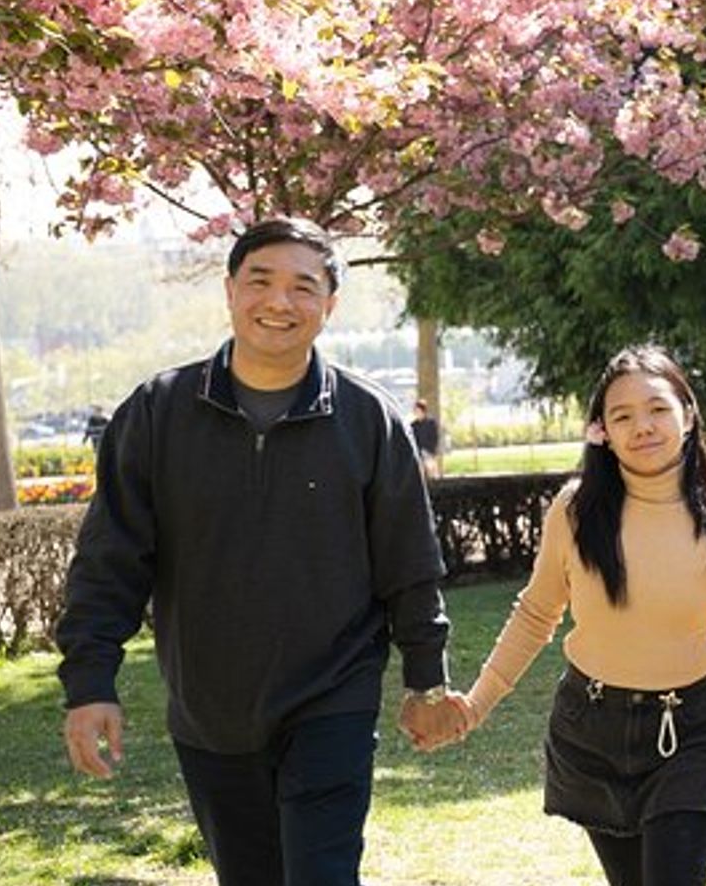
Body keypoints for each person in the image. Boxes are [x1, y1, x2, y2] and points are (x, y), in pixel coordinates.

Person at [55, 218, 471, 886]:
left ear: (329, 306)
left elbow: (410, 563)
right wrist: (89, 683)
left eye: (303, 287)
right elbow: (111, 559)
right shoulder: (159, 412)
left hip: (334, 694)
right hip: (209, 708)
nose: (280, 302)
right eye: (261, 281)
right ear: (229, 290)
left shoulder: (368, 418)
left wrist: (425, 677)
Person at [455, 345, 706, 886]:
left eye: (658, 409)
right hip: (591, 729)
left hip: (691, 732)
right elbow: (535, 614)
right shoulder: (574, 513)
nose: (643, 426)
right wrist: (475, 705)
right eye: (623, 415)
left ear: (687, 416)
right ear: (602, 432)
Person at [412, 399, 443, 479]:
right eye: (415, 410)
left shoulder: (431, 423)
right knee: (419, 475)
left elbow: (434, 438)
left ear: (423, 411)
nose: (415, 412)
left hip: (429, 453)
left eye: (417, 410)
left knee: (433, 474)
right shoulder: (413, 425)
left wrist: (430, 451)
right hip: (418, 454)